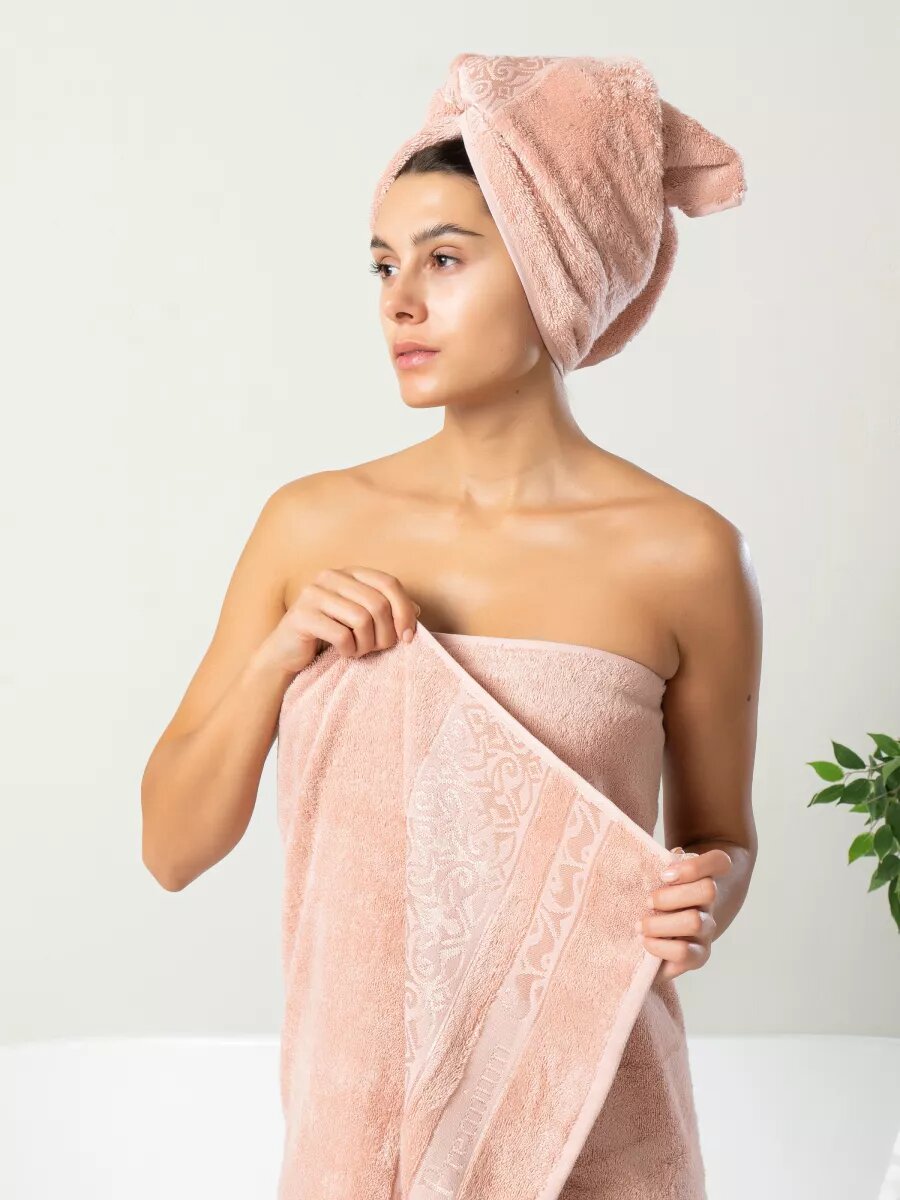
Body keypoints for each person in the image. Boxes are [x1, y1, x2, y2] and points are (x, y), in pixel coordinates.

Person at [142, 78, 760, 1199]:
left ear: (553, 271)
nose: (401, 303)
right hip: (356, 1129)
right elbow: (170, 849)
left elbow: (721, 838)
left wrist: (705, 896)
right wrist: (281, 656)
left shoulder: (687, 556)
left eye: (444, 259)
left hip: (599, 1125)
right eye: (384, 266)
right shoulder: (309, 525)